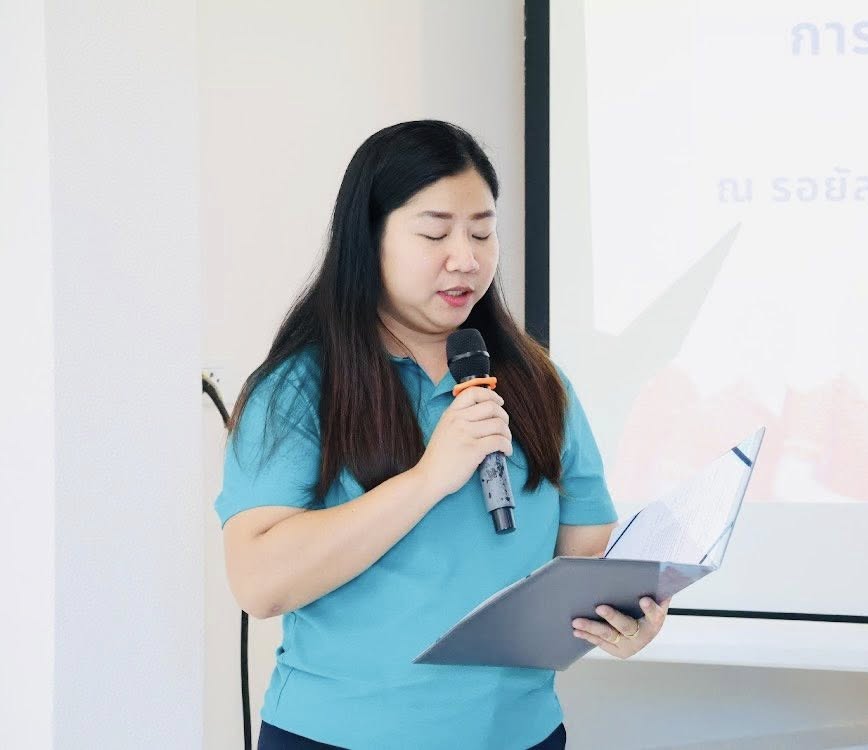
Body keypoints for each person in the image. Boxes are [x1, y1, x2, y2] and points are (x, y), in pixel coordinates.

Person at [215, 120, 671, 750]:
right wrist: (430, 478)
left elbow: (584, 553)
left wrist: (623, 617)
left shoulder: (539, 382)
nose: (467, 258)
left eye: (482, 232)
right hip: (338, 736)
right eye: (435, 233)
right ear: (368, 237)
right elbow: (259, 584)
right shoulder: (300, 387)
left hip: (520, 735)